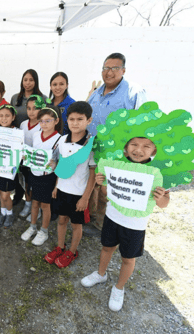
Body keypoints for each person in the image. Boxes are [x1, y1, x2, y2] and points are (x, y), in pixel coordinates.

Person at [81, 137, 169, 312]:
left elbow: (164, 203)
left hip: (135, 225)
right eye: (134, 145)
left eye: (146, 146)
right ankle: (101, 274)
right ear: (125, 149)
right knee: (106, 248)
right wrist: (101, 183)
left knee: (128, 258)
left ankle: (119, 288)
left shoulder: (157, 173)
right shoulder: (115, 166)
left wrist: (162, 198)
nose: (139, 149)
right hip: (112, 218)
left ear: (154, 151)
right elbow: (107, 193)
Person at [87, 53, 148, 231]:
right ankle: (90, 218)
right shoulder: (96, 92)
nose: (109, 72)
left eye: (114, 68)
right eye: (106, 68)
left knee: (108, 188)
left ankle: (102, 224)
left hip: (116, 152)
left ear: (123, 70)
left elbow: (142, 124)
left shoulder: (133, 92)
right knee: (94, 184)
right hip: (93, 147)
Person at [43, 101, 96, 263]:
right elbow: (61, 165)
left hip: (78, 194)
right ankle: (60, 247)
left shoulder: (91, 144)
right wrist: (56, 185)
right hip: (61, 190)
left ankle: (72, 252)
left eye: (80, 119)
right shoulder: (62, 140)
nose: (75, 123)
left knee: (76, 225)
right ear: (67, 120)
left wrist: (85, 198)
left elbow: (93, 174)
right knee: (61, 220)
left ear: (89, 120)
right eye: (71, 119)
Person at [20, 106, 62, 246]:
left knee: (45, 205)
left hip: (47, 177)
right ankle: (32, 227)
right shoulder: (36, 134)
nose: (44, 124)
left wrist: (55, 165)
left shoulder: (60, 140)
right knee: (34, 202)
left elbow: (61, 162)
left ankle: (43, 231)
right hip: (34, 173)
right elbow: (32, 152)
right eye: (41, 121)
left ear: (56, 121)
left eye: (48, 121)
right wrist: (26, 156)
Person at [10, 69, 47, 205]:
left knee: (34, 179)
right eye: (25, 79)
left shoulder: (42, 98)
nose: (28, 83)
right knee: (22, 176)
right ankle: (23, 199)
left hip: (35, 150)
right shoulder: (15, 98)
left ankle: (34, 203)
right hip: (21, 139)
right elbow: (10, 115)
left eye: (31, 80)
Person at [0, 104, 19, 229]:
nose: (4, 118)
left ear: (13, 117)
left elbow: (20, 149)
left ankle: (10, 214)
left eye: (7, 115)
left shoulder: (17, 132)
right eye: (1, 115)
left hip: (9, 169)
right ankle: (3, 213)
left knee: (6, 194)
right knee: (1, 193)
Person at [18, 95, 42, 220]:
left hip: (36, 163)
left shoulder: (43, 126)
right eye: (29, 108)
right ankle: (27, 204)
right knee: (27, 184)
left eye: (35, 108)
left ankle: (36, 209)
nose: (31, 111)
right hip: (25, 162)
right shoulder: (23, 124)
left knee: (35, 186)